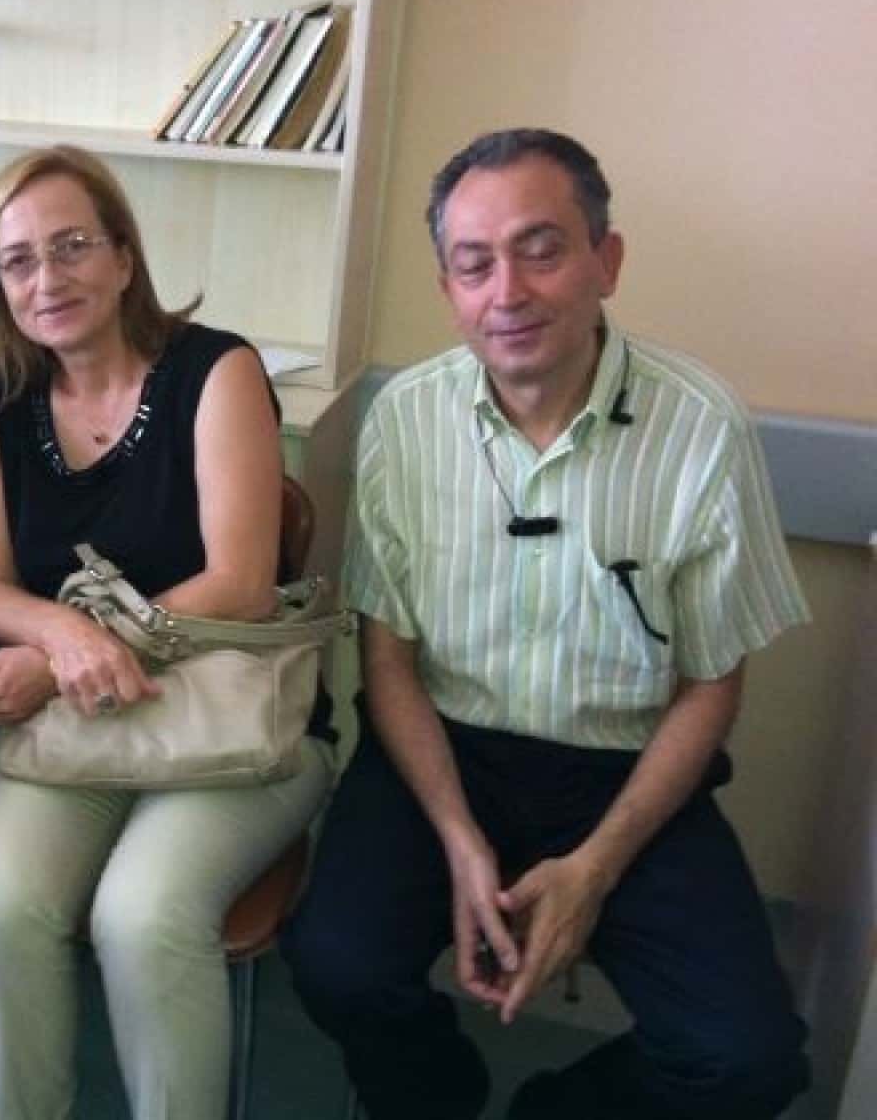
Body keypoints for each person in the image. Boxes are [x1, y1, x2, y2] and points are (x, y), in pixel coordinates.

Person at [282, 128, 812, 1119]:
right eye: (474, 264)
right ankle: (439, 1096)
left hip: (624, 767)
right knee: (335, 965)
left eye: (541, 250)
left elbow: (711, 683)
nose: (508, 292)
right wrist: (457, 835)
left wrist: (594, 868)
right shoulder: (406, 419)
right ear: (448, 289)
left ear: (606, 261)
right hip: (443, 750)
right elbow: (387, 659)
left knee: (749, 1058)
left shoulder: (700, 425)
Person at [0, 144, 336, 1120]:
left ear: (124, 256)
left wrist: (63, 653)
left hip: (230, 720)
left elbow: (241, 584)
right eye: (18, 259)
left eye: (72, 245)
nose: (47, 277)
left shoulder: (216, 369)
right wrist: (58, 637)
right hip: (81, 722)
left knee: (143, 915)